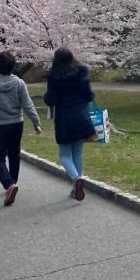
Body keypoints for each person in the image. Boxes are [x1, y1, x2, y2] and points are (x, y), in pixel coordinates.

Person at [0, 51, 41, 206]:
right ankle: (13, 183)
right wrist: (36, 122)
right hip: (16, 124)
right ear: (13, 66)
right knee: (14, 155)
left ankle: (9, 185)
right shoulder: (19, 83)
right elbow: (28, 104)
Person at [43, 48, 97, 201]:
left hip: (64, 120)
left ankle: (76, 179)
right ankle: (77, 185)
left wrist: (46, 97)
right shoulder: (82, 73)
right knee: (78, 152)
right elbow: (89, 96)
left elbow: (51, 99)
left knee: (65, 154)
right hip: (81, 117)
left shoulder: (54, 76)